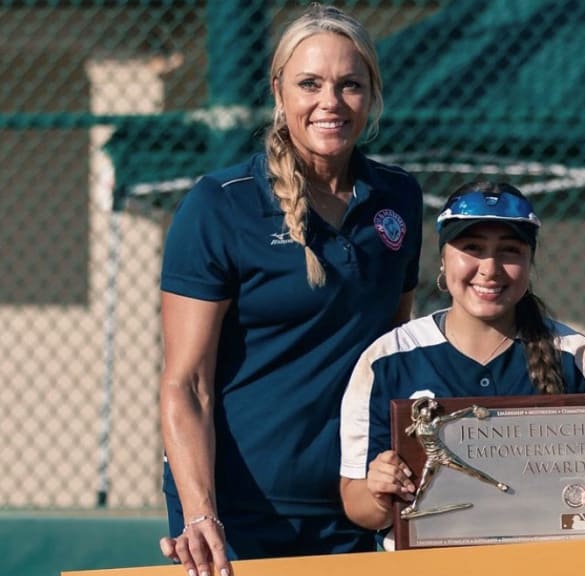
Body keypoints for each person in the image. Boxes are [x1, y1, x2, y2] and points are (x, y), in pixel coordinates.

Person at [157, 4, 422, 575]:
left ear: (371, 94)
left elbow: (395, 353)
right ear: (279, 92)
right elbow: (187, 383)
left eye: (350, 84)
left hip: (355, 506)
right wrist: (201, 514)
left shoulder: (399, 199)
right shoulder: (218, 204)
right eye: (310, 84)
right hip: (235, 512)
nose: (330, 102)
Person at [338, 181, 585, 547]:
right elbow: (357, 505)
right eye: (472, 248)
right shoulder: (388, 358)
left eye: (509, 251)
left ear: (530, 263)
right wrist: (379, 491)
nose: (490, 268)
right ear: (443, 259)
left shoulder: (576, 355)